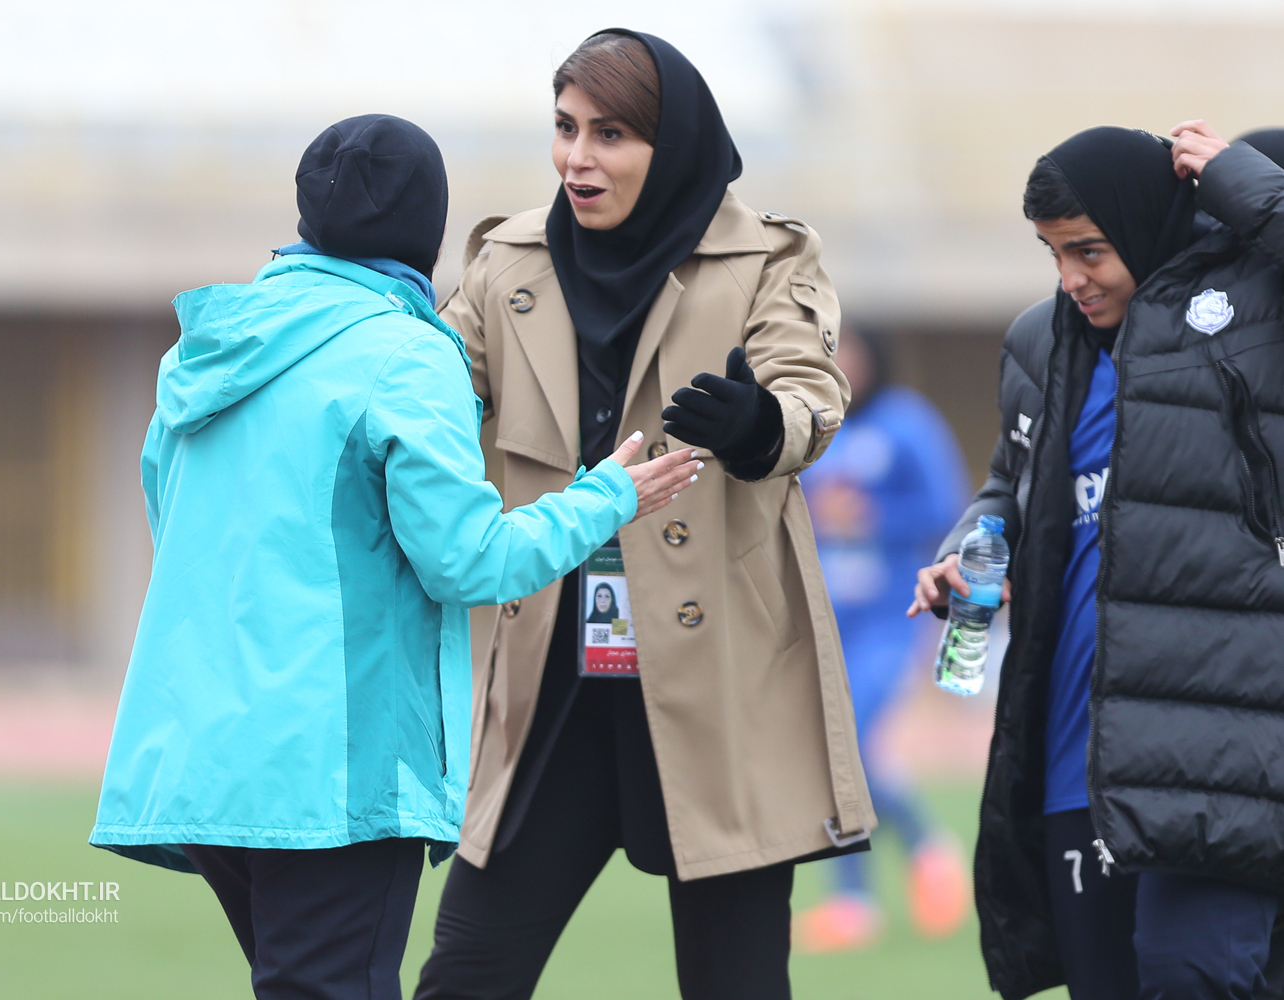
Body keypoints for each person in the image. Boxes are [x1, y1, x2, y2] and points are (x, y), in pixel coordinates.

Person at [87, 113, 700, 1000]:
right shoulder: (407, 353)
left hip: (208, 753)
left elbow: (173, 524)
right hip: (335, 766)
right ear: (427, 230)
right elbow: (469, 561)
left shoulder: (207, 345)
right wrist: (607, 497)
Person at [415, 29, 871, 1000]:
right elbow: (422, 398)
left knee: (738, 985)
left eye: (610, 134)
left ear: (674, 146)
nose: (577, 157)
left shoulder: (767, 257)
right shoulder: (507, 260)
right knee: (465, 976)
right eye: (565, 128)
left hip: (720, 684)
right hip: (549, 684)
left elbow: (811, 397)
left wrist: (760, 425)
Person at [909, 122, 1284, 999]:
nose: (1070, 278)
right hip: (1076, 746)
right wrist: (970, 545)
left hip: (1214, 743)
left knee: (1190, 973)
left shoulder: (1247, 320)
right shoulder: (1040, 343)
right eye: (1053, 254)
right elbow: (1014, 484)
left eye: (1088, 251)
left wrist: (1236, 179)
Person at [794, 326, 972, 952]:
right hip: (826, 619)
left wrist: (874, 516)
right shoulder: (814, 427)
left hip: (889, 619)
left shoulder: (907, 423)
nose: (841, 362)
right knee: (834, 755)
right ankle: (903, 864)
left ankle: (875, 885)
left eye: (851, 350)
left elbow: (946, 508)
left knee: (851, 745)